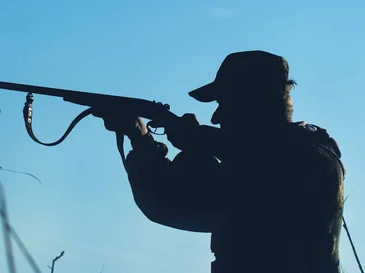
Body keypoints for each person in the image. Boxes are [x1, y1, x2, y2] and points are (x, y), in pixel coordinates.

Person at [95, 50, 345, 273]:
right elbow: (170, 203)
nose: (215, 117)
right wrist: (140, 137)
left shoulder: (307, 160)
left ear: (252, 101)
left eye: (224, 103)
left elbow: (178, 203)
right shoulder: (302, 153)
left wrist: (196, 145)